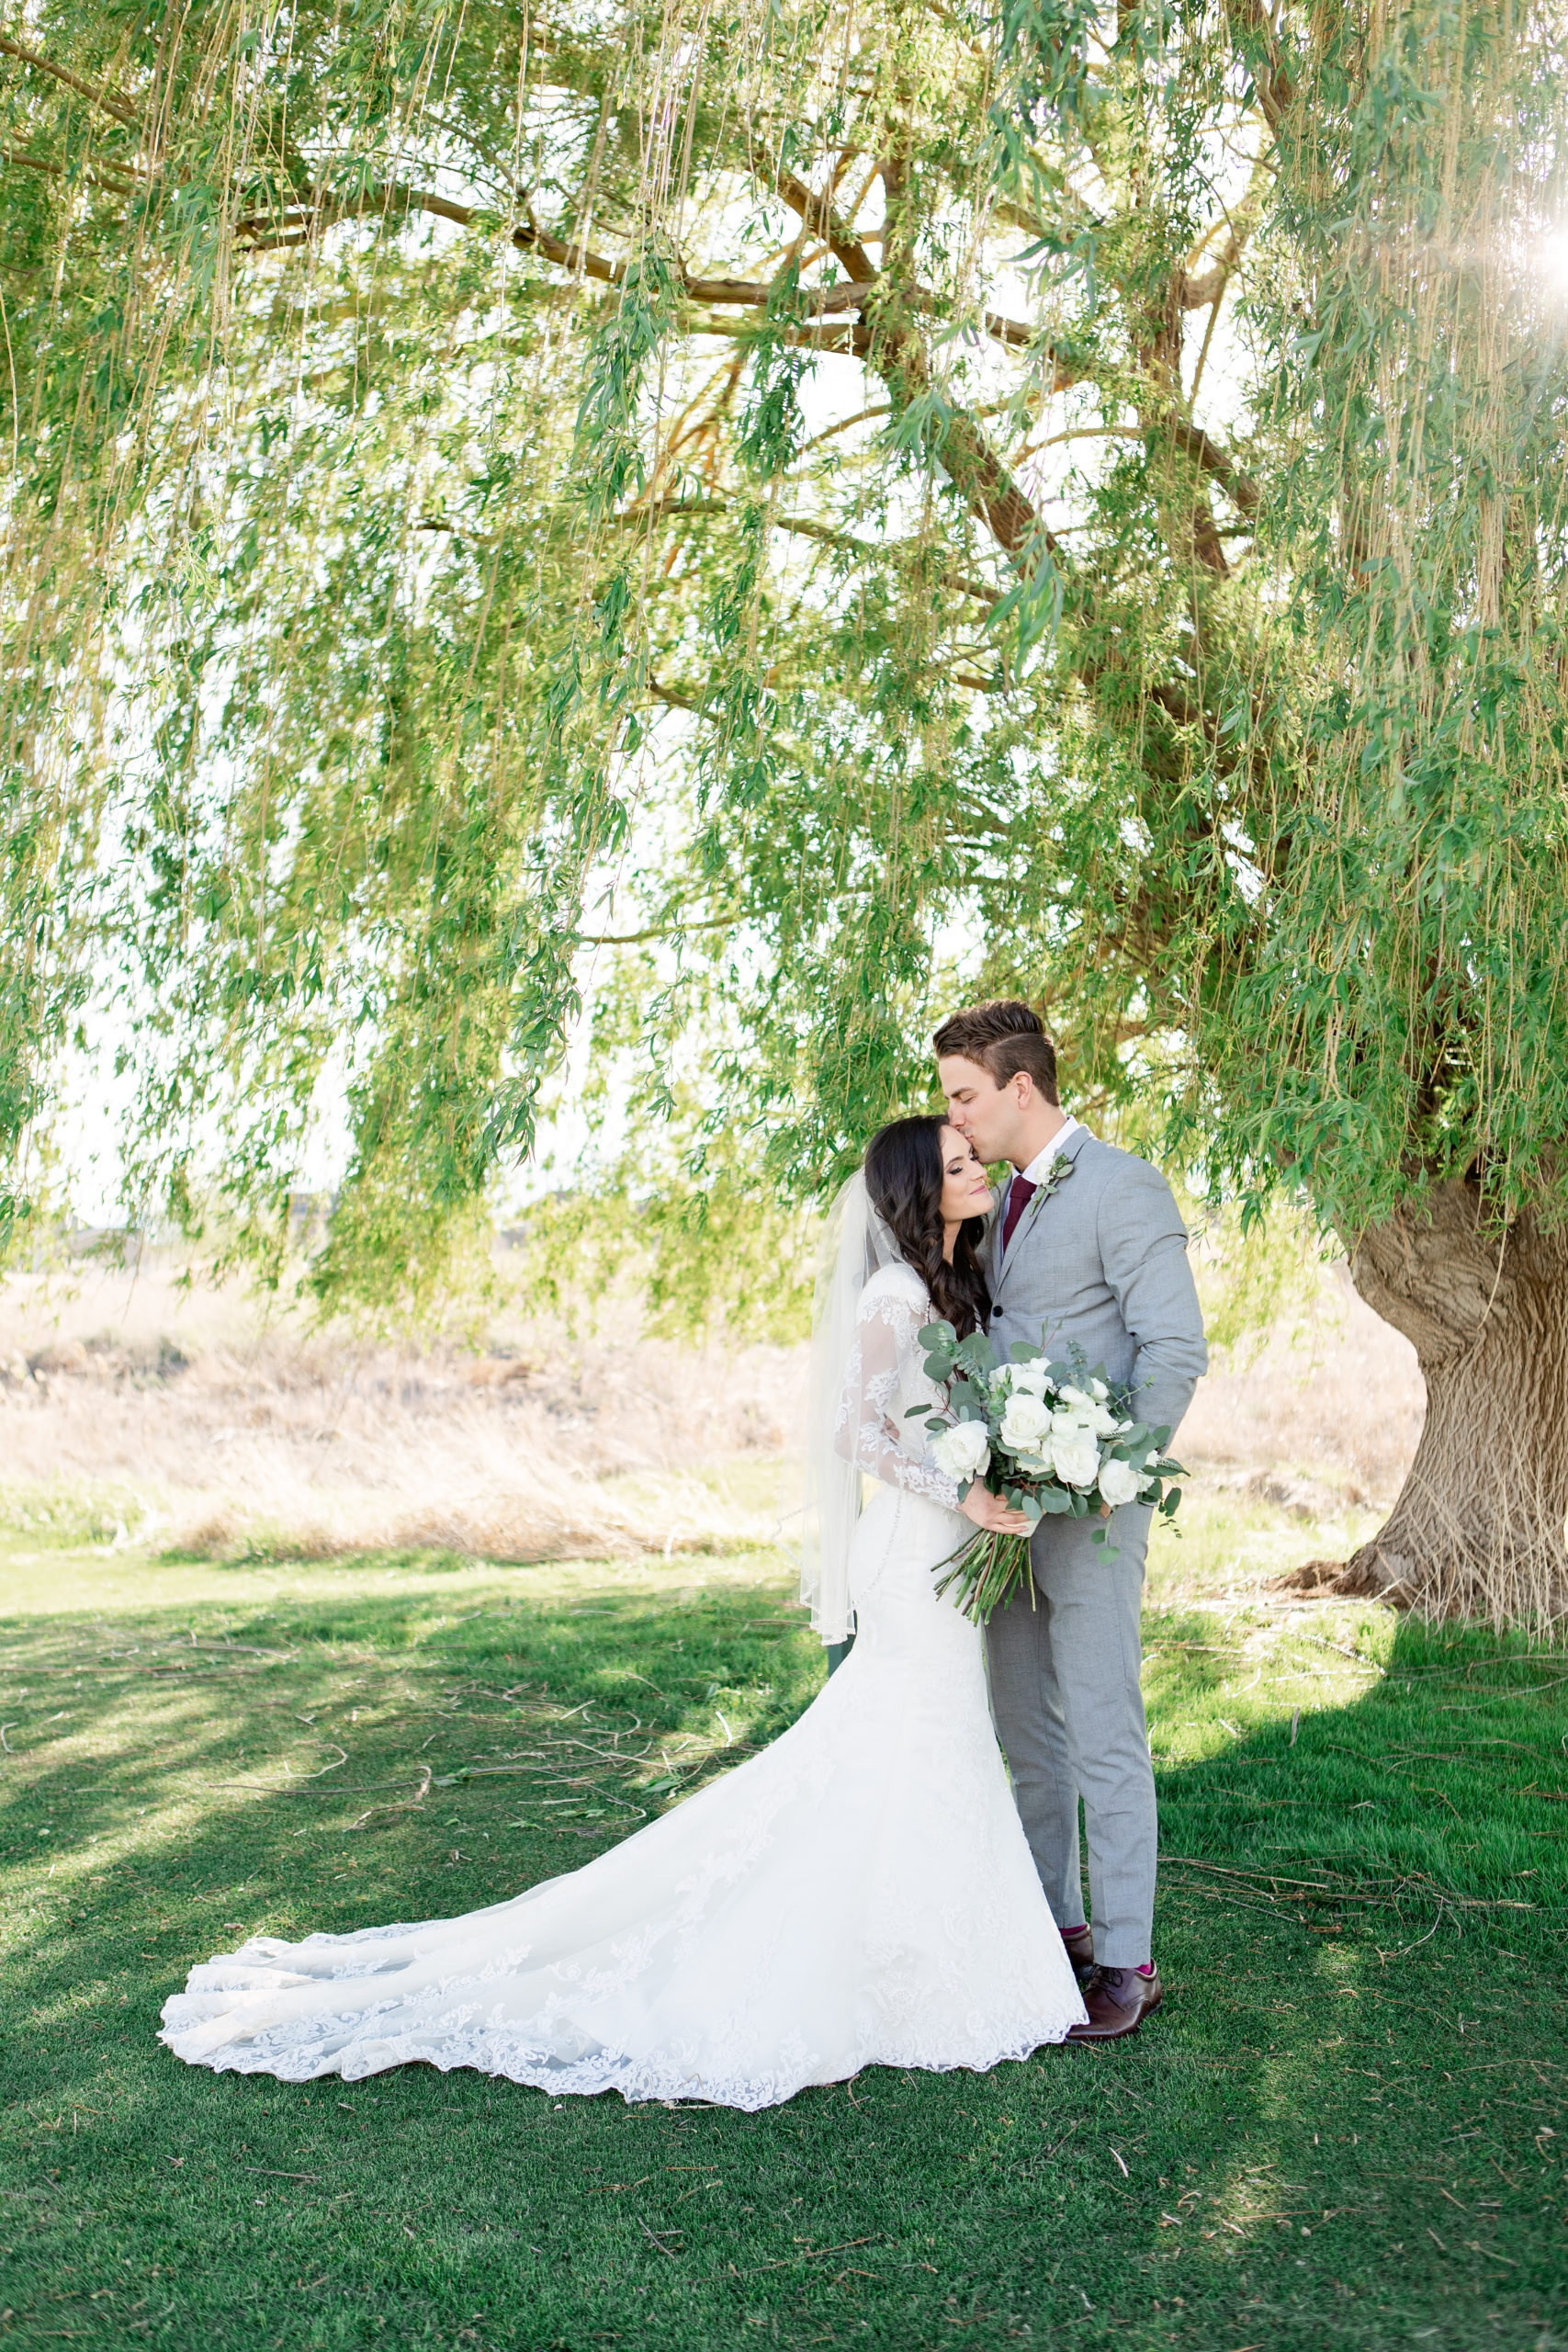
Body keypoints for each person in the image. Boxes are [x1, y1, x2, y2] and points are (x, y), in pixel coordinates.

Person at [159, 1115, 1085, 2109]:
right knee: (915, 1726)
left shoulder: (958, 1283)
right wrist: (967, 1494)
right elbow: (854, 1432)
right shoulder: (896, 1295)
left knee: (930, 1734)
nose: (976, 1168)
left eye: (971, 1156)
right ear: (917, 1193)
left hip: (949, 1541)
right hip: (910, 1550)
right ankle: (890, 1963)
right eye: (955, 1165)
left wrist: (1003, 1470)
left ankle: (928, 1949)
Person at [936, 1000, 1208, 2041]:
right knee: (1025, 1733)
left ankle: (1130, 1962)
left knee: (1102, 1730)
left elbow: (1173, 1347)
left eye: (964, 1094)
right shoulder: (990, 1200)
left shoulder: (1125, 1187)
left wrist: (1116, 1470)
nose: (952, 1118)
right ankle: (1057, 1933)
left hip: (1095, 1508)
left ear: (1018, 1087)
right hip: (1001, 1514)